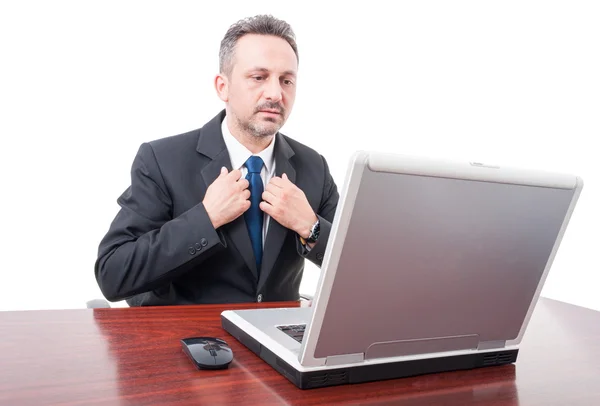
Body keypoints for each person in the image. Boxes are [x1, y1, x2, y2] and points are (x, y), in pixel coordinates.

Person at [94, 15, 339, 306]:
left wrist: (312, 227)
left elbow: (362, 270)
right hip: (191, 342)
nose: (275, 93)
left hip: (279, 342)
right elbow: (113, 273)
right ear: (223, 87)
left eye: (287, 80)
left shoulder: (314, 167)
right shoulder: (161, 160)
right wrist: (206, 218)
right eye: (258, 77)